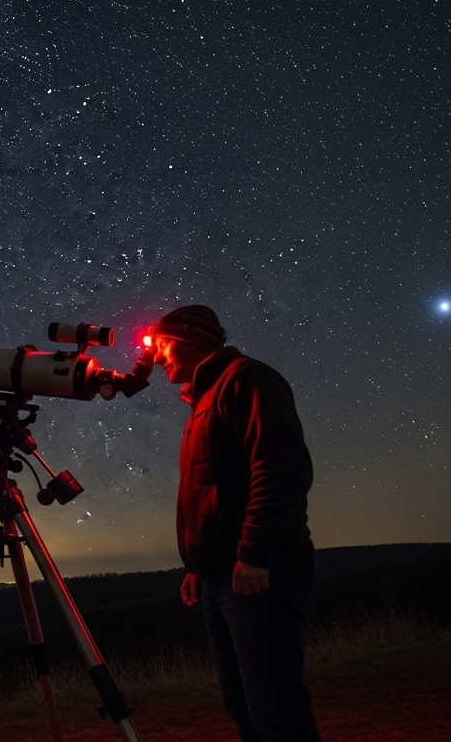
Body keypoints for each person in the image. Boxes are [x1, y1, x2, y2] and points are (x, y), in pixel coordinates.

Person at [149, 304, 322, 742]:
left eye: (162, 345)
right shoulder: (203, 400)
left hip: (259, 574)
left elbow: (280, 468)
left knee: (276, 711)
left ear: (190, 340)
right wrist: (196, 565)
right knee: (243, 708)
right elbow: (212, 488)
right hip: (219, 576)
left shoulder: (247, 378)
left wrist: (255, 553)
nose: (156, 357)